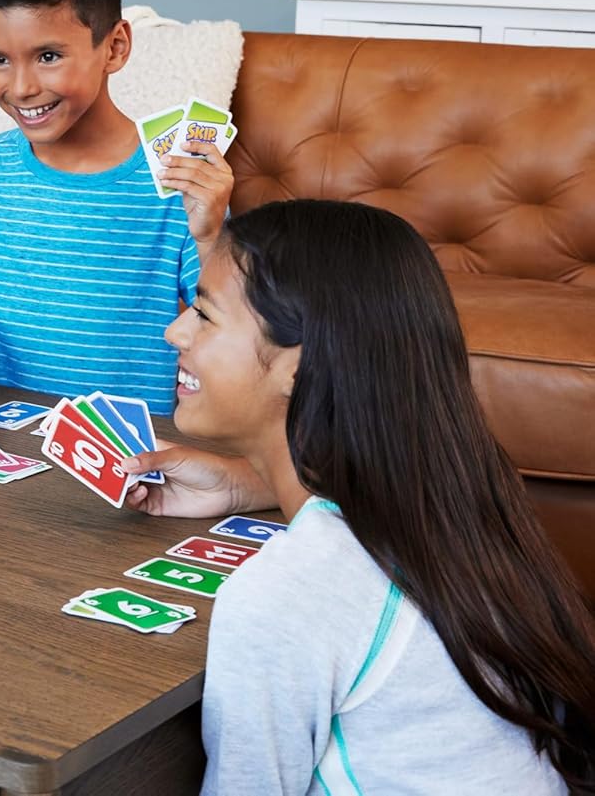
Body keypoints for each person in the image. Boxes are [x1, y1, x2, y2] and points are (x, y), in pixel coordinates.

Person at [126, 199, 595, 794]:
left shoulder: (283, 595)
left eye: (204, 314)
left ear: (298, 366)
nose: (174, 332)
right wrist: (248, 484)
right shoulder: (464, 506)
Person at [0, 0, 234, 449]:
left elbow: (224, 321)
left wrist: (212, 231)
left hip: (131, 449)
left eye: (49, 56)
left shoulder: (176, 178)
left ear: (116, 47)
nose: (20, 87)